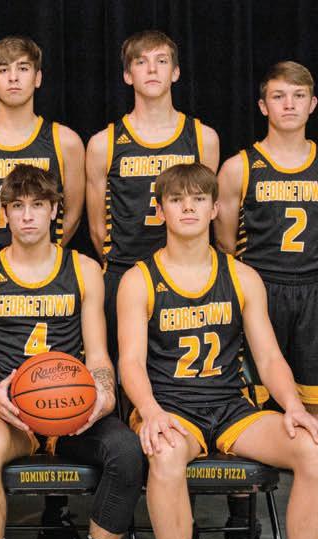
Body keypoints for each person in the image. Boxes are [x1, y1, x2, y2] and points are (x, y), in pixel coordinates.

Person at [118, 163, 318, 539]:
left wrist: (293, 405)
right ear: (160, 210)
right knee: (166, 455)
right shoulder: (139, 280)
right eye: (176, 200)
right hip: (171, 409)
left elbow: (269, 357)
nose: (188, 207)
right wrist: (150, 412)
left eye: (198, 199)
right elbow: (130, 363)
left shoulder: (242, 277)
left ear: (215, 209)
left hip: (232, 409)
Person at [0, 165, 142, 539]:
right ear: (4, 213)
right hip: (11, 411)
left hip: (72, 411)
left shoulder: (84, 269)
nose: (28, 215)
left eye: (38, 205)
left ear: (55, 210)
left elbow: (98, 354)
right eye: (18, 206)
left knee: (127, 452)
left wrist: (105, 395)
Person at [213, 61, 318, 539]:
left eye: (298, 96)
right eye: (278, 96)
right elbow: (225, 241)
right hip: (260, 291)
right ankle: (241, 524)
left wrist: (306, 272)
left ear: (312, 104)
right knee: (248, 403)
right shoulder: (239, 167)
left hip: (313, 292)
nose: (289, 104)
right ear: (263, 105)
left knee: (317, 406)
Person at [85, 30, 219, 361]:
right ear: (127, 75)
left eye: (161, 61)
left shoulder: (203, 138)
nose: (152, 69)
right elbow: (97, 227)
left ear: (175, 72)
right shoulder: (104, 143)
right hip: (123, 270)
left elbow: (207, 210)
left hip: (184, 275)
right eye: (141, 62)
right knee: (119, 372)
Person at [0, 36, 85, 262]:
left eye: (23, 68)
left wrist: (37, 259)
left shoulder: (66, 142)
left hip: (44, 272)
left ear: (37, 78)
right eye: (3, 70)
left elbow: (73, 216)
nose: (13, 78)